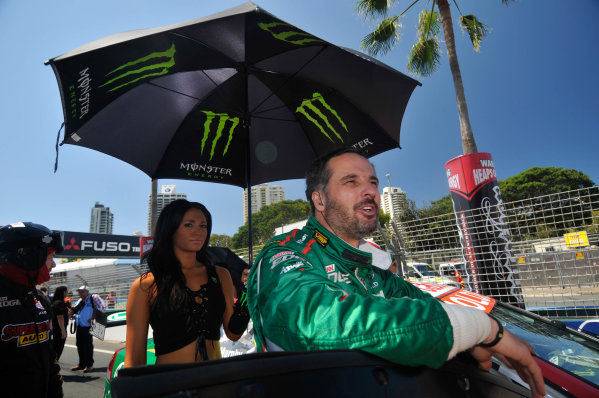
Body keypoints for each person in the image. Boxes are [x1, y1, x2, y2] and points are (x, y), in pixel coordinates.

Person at [247, 148, 546, 398]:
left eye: (373, 182)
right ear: (320, 200)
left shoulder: (370, 268)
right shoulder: (285, 252)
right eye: (351, 182)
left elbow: (430, 308)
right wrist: (481, 329)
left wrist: (476, 343)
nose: (370, 192)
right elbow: (314, 322)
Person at [125, 199, 249, 367]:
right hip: (168, 386)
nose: (198, 232)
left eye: (203, 226)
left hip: (215, 383)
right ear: (170, 229)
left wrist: (250, 296)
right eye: (189, 225)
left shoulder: (221, 275)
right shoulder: (146, 285)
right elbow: (135, 360)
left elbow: (233, 334)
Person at [0, 222, 64, 397]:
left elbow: (50, 361)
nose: (54, 265)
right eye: (50, 258)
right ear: (27, 258)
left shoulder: (41, 300)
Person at [70, 285, 105, 372]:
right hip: (79, 326)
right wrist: (74, 316)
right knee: (79, 345)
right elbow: (76, 311)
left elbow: (102, 307)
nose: (80, 293)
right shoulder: (79, 301)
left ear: (87, 292)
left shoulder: (94, 297)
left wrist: (95, 318)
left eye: (82, 291)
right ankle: (81, 364)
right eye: (79, 292)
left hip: (88, 326)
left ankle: (89, 365)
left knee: (88, 346)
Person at [51, 286, 70, 360]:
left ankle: (53, 365)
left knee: (54, 348)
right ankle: (54, 366)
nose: (67, 293)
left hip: (53, 329)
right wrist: (63, 331)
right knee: (58, 349)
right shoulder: (60, 303)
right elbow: (60, 317)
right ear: (64, 292)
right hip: (58, 330)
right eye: (66, 292)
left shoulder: (53, 302)